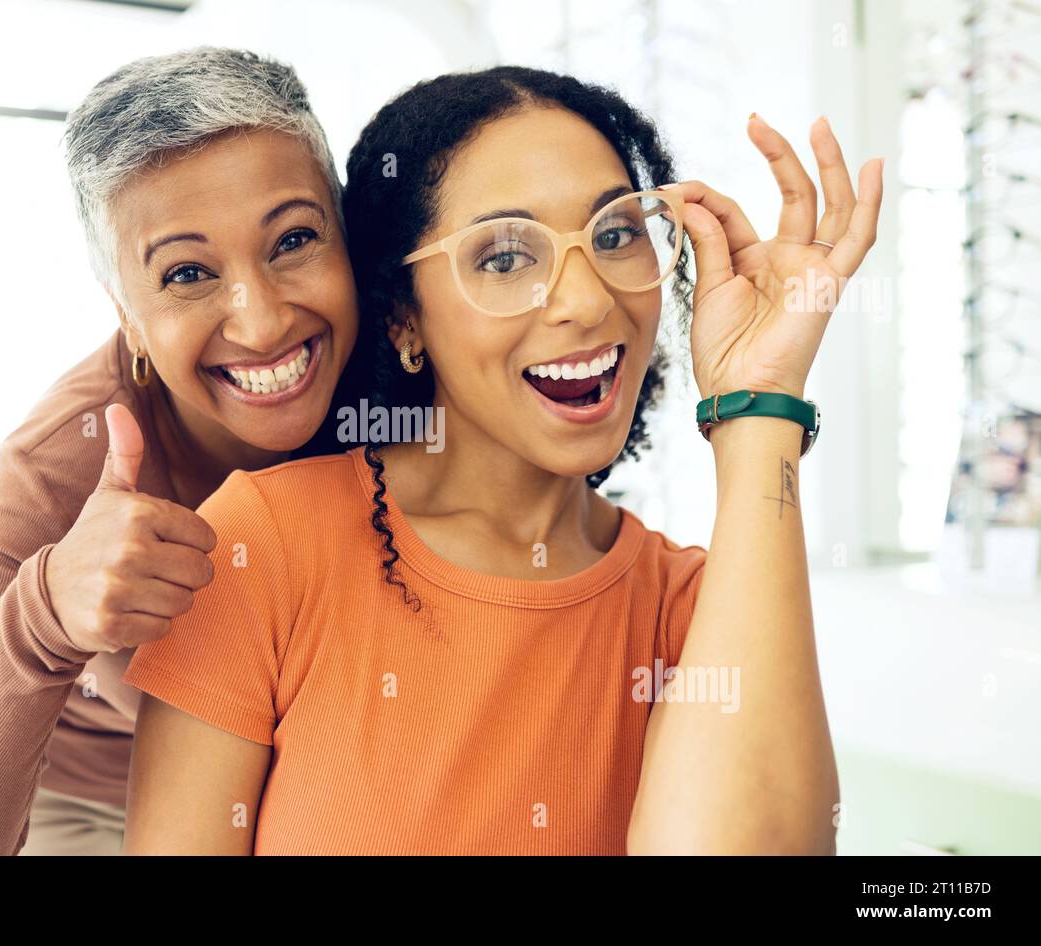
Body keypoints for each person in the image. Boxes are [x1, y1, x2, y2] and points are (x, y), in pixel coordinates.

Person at [122, 66, 882, 854]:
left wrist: (760, 403)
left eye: (616, 234)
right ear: (403, 318)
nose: (586, 301)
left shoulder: (690, 610)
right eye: (504, 257)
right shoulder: (257, 547)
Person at [0, 47, 359, 855]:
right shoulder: (66, 460)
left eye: (293, 241)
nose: (261, 323)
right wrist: (44, 615)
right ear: (127, 315)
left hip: (320, 775)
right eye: (187, 272)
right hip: (98, 805)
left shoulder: (402, 366)